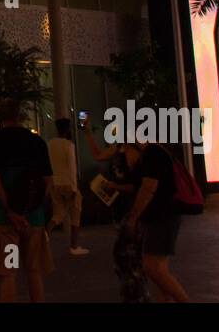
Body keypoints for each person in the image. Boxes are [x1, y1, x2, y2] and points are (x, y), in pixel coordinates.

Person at [0, 97, 54, 302]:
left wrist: (11, 212)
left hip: (6, 223)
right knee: (34, 271)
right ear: (21, 115)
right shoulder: (37, 142)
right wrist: (33, 208)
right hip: (34, 220)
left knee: (9, 272)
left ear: (0, 116)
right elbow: (47, 181)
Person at [86, 126, 149, 302]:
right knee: (125, 255)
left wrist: (115, 186)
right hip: (120, 206)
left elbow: (137, 185)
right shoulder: (120, 148)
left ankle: (136, 293)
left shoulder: (135, 151)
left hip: (131, 208)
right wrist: (88, 132)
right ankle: (133, 293)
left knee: (127, 254)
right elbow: (98, 155)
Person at [123, 142, 189, 302]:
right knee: (159, 270)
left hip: (162, 216)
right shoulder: (157, 151)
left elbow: (148, 187)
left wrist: (133, 218)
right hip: (162, 216)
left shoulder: (152, 152)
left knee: (152, 266)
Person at [47, 118, 89, 256]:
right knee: (76, 212)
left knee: (58, 214)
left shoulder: (50, 144)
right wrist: (74, 188)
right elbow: (72, 167)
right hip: (68, 184)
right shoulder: (68, 145)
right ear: (67, 129)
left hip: (55, 183)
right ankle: (74, 246)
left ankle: (44, 235)